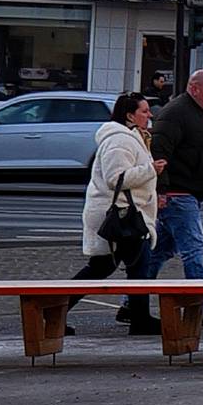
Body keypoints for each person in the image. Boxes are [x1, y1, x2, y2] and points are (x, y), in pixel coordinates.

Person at [140, 69, 203, 326]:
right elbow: (158, 151)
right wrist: (161, 191)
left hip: (186, 193)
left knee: (160, 251)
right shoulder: (176, 113)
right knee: (194, 249)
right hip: (178, 194)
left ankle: (132, 301)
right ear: (194, 88)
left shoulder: (197, 110)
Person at [72, 92, 162, 335]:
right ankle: (140, 320)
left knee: (109, 267)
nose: (149, 115)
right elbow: (116, 179)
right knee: (128, 267)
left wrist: (152, 196)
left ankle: (53, 310)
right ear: (130, 115)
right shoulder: (119, 141)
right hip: (121, 216)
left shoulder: (132, 137)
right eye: (144, 111)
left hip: (127, 213)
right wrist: (150, 170)